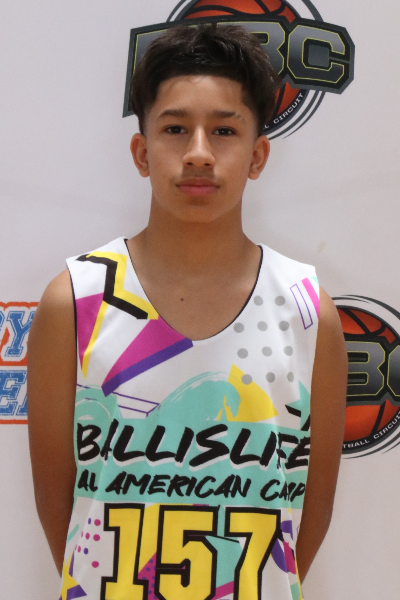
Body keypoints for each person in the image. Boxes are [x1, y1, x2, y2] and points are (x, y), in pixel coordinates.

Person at [27, 23, 347, 600]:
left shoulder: (306, 311)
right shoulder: (75, 301)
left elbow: (310, 509)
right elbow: (60, 505)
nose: (199, 152)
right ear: (142, 152)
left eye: (224, 130)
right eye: (176, 129)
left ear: (257, 155)